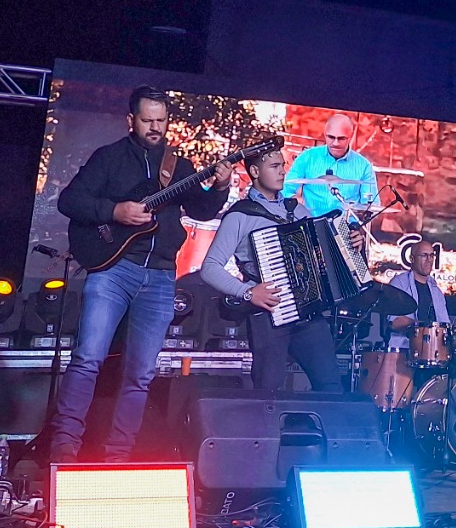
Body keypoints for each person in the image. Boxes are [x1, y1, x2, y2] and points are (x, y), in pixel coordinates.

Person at [49, 86, 231, 462]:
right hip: (113, 270)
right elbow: (70, 200)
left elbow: (202, 210)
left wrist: (221, 185)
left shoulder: (177, 166)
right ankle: (64, 446)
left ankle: (119, 455)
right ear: (131, 120)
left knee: (141, 373)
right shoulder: (109, 158)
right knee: (88, 358)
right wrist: (115, 212)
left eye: (161, 120)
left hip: (161, 276)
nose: (155, 127)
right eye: (148, 120)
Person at [197, 148, 355, 392]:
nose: (282, 171)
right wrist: (248, 292)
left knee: (332, 387)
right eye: (274, 166)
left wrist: (351, 245)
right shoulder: (240, 215)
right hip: (267, 315)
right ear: (255, 171)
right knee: (268, 390)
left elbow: (324, 257)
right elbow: (209, 268)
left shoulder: (298, 211)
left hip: (309, 314)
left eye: (282, 165)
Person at [283, 113, 380, 216]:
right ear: (325, 134)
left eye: (341, 138)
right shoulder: (307, 157)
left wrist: (360, 220)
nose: (335, 143)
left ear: (350, 136)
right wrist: (295, 203)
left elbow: (371, 205)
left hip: (346, 223)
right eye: (331, 137)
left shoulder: (364, 166)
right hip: (311, 221)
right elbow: (285, 189)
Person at [386, 239, 450, 352]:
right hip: (404, 350)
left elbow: (445, 325)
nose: (429, 260)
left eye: (431, 256)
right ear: (412, 259)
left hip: (433, 352)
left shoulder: (437, 291)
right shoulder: (399, 283)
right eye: (424, 255)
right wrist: (422, 326)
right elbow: (394, 322)